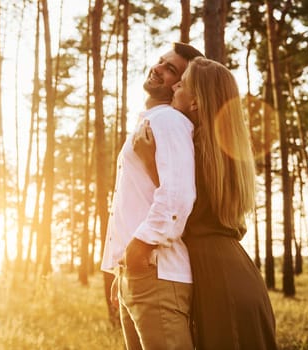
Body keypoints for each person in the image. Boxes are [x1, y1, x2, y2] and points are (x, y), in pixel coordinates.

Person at [133, 57, 278, 350]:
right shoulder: (224, 153)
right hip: (241, 271)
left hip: (215, 277)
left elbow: (179, 204)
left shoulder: (193, 151)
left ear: (196, 102)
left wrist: (150, 163)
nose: (175, 86)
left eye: (182, 83)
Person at [101, 42, 204, 350]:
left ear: (181, 86)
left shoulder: (168, 121)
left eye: (170, 69)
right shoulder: (152, 121)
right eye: (161, 61)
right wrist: (122, 266)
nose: (158, 68)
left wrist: (139, 249)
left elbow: (178, 195)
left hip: (158, 273)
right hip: (139, 273)